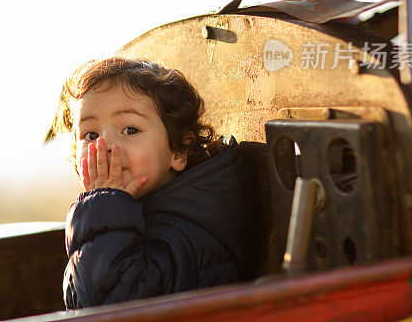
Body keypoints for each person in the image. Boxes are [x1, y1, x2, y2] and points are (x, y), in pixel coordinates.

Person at [47, 56, 256, 309]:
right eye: (91, 134)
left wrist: (104, 207)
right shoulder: (112, 216)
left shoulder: (188, 235)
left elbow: (116, 306)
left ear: (178, 151)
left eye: (130, 130)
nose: (106, 146)